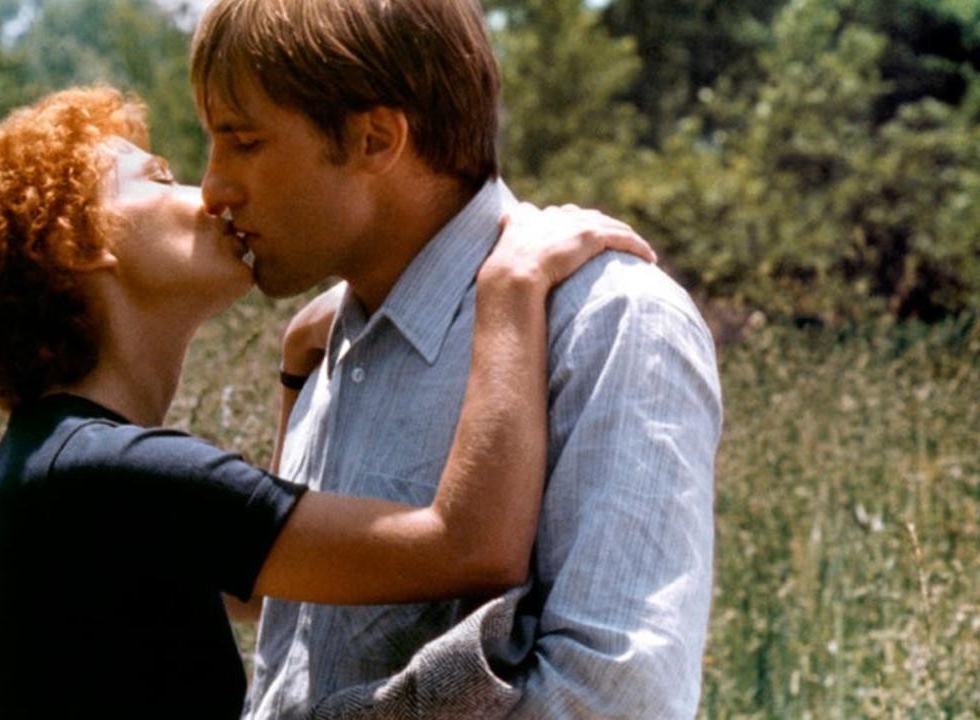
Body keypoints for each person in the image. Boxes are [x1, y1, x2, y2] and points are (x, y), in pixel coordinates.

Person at [0, 86, 655, 719]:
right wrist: (510, 288)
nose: (210, 195)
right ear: (82, 242)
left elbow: (256, 587)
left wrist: (295, 374)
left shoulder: (44, 471)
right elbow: (470, 548)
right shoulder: (104, 473)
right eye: (160, 179)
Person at [190, 0, 724, 718]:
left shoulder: (607, 319)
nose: (213, 188)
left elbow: (611, 700)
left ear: (376, 140)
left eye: (244, 141)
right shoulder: (325, 345)